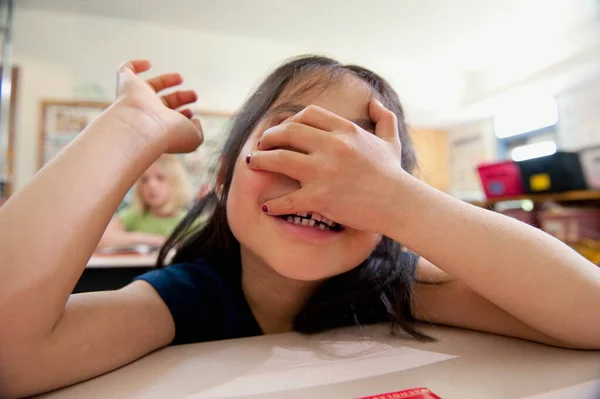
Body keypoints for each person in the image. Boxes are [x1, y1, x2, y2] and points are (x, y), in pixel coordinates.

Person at [0, 56, 598, 398]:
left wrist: (399, 202)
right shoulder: (185, 300)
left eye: (363, 160)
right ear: (226, 178)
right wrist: (131, 126)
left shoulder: (398, 291)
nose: (324, 179)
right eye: (289, 141)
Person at [97, 154, 192, 250]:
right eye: (144, 180)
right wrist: (158, 240)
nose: (151, 185)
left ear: (176, 182)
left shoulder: (190, 222)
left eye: (160, 178)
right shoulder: (134, 215)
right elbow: (100, 239)